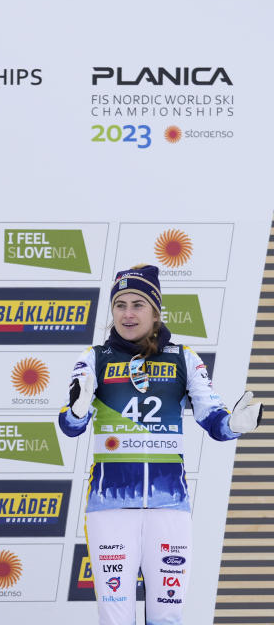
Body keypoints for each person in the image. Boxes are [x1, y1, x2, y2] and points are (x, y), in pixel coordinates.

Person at [58, 264, 263, 624]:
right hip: (110, 507)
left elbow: (212, 418)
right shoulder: (94, 358)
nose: (128, 314)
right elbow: (70, 426)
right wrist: (76, 409)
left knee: (167, 615)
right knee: (115, 615)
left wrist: (233, 425)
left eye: (138, 304)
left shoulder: (183, 357)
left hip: (170, 506)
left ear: (155, 311)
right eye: (120, 305)